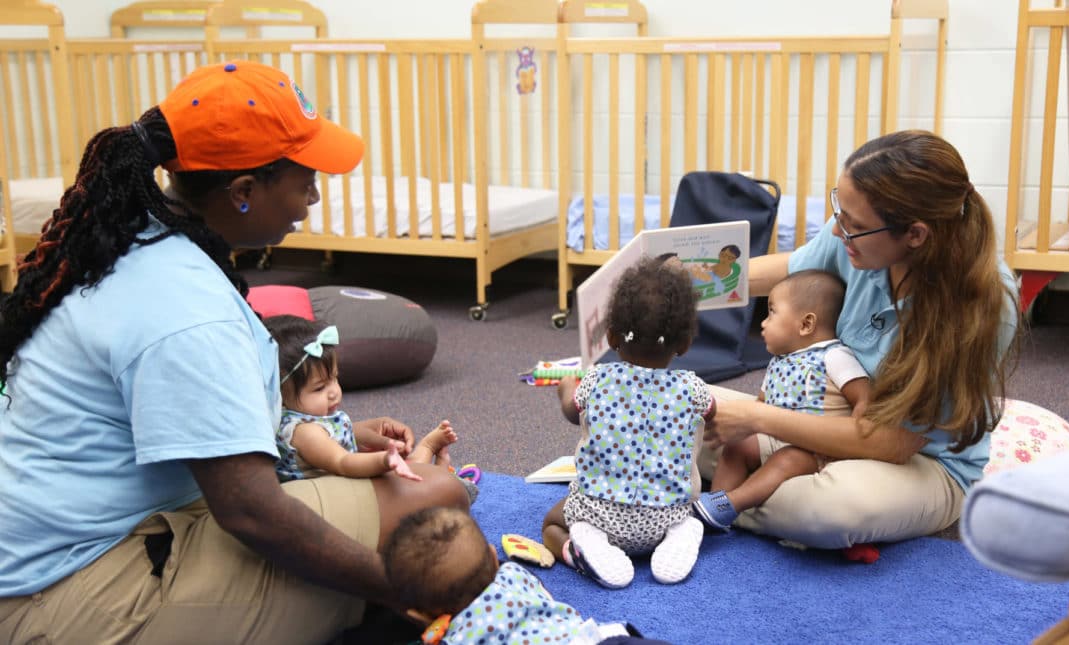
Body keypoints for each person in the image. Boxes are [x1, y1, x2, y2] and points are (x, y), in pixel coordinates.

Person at [0, 60, 469, 644]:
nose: (315, 197)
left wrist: (316, 431)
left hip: (55, 558)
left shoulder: (128, 240)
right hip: (78, 596)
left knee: (415, 499)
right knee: (441, 504)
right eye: (304, 182)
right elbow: (252, 513)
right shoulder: (188, 306)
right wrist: (393, 588)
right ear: (244, 191)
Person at [700, 129, 1020, 551]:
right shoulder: (862, 238)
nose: (837, 233)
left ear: (916, 235)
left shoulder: (982, 306)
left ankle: (705, 500)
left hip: (915, 461)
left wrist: (757, 419)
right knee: (665, 407)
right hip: (815, 423)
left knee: (831, 509)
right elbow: (791, 271)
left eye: (853, 226)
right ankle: (729, 500)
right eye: (840, 213)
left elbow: (894, 442)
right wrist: (687, 284)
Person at [542, 256, 715, 589]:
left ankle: (580, 549)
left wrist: (566, 388)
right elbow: (712, 414)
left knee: (552, 523)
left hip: (601, 514)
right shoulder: (694, 389)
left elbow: (570, 410)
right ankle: (682, 532)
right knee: (683, 510)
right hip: (666, 514)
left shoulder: (594, 381)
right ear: (685, 344)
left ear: (611, 336)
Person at [694, 269, 870, 531]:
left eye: (772, 313)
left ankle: (733, 502)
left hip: (817, 449)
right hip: (776, 437)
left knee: (788, 459)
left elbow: (865, 397)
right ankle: (713, 505)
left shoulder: (833, 356)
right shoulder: (778, 363)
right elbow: (761, 408)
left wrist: (852, 442)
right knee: (740, 445)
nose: (763, 323)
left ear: (806, 324)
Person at [384, 507, 651, 645]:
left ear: (419, 616)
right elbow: (544, 597)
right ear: (492, 557)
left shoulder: (454, 639)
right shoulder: (513, 574)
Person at [264, 314, 456, 481]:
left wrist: (379, 433)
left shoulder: (308, 417)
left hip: (341, 481)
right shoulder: (304, 432)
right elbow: (343, 461)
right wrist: (383, 460)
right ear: (279, 394)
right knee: (398, 481)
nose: (334, 392)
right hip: (333, 492)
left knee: (405, 474)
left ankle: (433, 468)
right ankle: (431, 455)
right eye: (320, 387)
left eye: (334, 378)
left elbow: (336, 433)